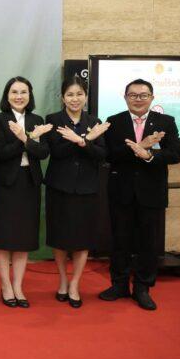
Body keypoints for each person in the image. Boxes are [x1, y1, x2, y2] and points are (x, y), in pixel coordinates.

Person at [99, 79, 180, 311]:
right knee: (120, 240)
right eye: (133, 95)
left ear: (152, 98)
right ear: (125, 97)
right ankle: (119, 285)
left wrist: (149, 155)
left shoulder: (166, 122)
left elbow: (175, 154)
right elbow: (109, 155)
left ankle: (142, 288)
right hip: (121, 190)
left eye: (143, 95)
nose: (138, 99)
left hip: (152, 191)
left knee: (149, 242)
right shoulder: (114, 121)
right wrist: (139, 146)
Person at [44, 77, 109, 308]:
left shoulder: (94, 122)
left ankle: (75, 284)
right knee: (60, 238)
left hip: (86, 188)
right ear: (63, 97)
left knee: (83, 239)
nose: (75, 99)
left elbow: (101, 155)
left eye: (79, 94)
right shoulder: (54, 120)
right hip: (59, 187)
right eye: (70, 95)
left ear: (86, 96)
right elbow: (57, 152)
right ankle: (63, 281)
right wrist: (86, 139)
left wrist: (83, 141)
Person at [0, 76, 51, 309]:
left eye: (23, 92)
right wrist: (26, 138)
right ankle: (6, 286)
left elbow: (43, 153)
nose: (19, 96)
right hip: (6, 184)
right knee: (3, 237)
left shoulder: (37, 120)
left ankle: (18, 286)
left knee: (24, 238)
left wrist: (27, 138)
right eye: (14, 92)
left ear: (30, 95)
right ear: (7, 95)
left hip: (29, 182)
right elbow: (1, 154)